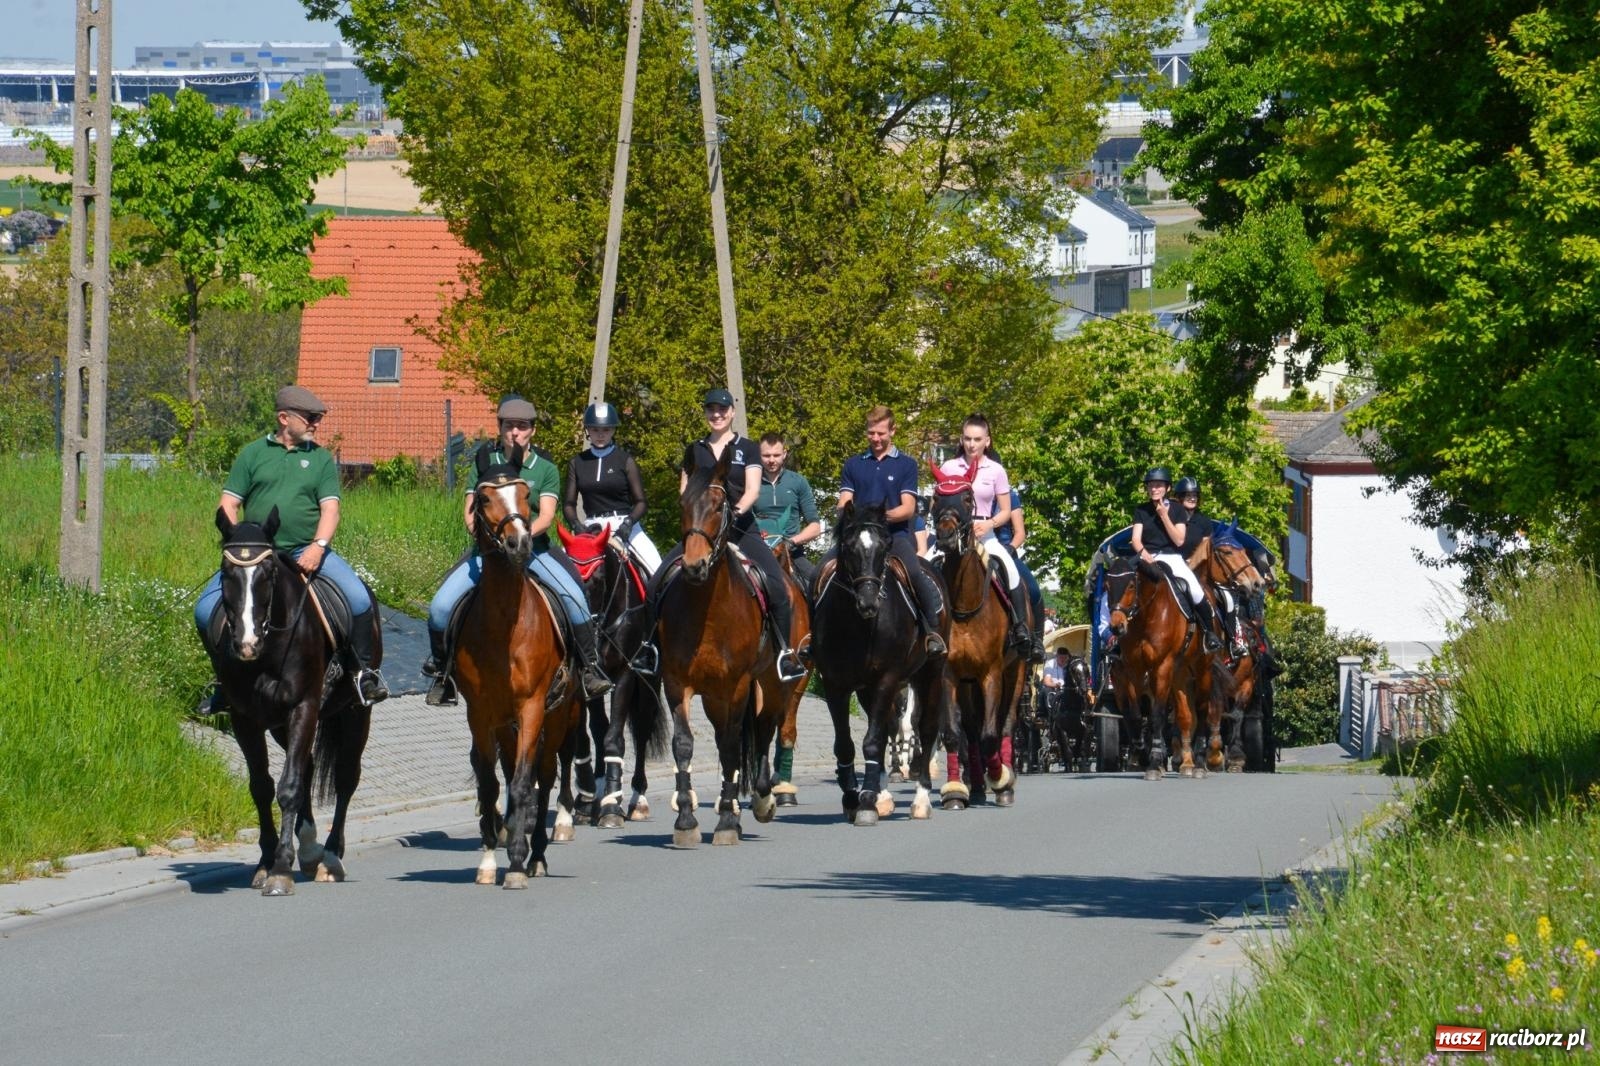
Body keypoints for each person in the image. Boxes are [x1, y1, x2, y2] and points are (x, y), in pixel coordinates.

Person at [193, 384, 388, 709]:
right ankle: (223, 683)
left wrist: (318, 546)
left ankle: (363, 674)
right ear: (284, 418)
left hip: (304, 551)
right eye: (310, 417)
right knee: (203, 611)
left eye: (318, 418)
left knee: (358, 599)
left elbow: (330, 510)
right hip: (256, 556)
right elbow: (229, 503)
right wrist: (237, 542)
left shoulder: (321, 459)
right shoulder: (252, 454)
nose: (316, 423)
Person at [423, 395, 613, 704]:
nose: (515, 432)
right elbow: (470, 513)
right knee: (440, 607)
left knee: (575, 599)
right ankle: (442, 675)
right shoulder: (483, 463)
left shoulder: (545, 468)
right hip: (489, 553)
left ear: (532, 430)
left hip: (534, 551)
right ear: (500, 428)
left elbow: (547, 516)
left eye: (522, 426)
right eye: (509, 425)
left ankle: (589, 669)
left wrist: (518, 538)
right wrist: (491, 539)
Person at [634, 388, 808, 681]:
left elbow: (752, 490)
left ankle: (784, 654)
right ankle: (649, 648)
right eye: (711, 409)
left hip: (740, 528)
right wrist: (694, 515)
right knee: (655, 584)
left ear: (732, 412)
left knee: (777, 586)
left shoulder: (748, 448)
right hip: (703, 529)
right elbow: (685, 489)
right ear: (705, 413)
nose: (717, 414)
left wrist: (734, 513)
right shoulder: (695, 449)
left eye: (722, 409)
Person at [835, 405, 946, 656]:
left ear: (892, 431)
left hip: (894, 536)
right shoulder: (853, 465)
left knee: (915, 572)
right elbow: (844, 501)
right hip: (857, 538)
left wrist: (875, 518)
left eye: (881, 433)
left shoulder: (906, 465)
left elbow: (907, 509)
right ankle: (813, 636)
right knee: (822, 571)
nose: (875, 438)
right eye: (871, 433)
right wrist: (847, 514)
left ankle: (932, 630)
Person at [938, 414, 1043, 661]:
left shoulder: (996, 470)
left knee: (1011, 571)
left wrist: (988, 524)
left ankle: (1021, 628)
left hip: (985, 535)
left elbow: (1006, 511)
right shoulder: (949, 468)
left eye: (977, 439)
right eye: (967, 439)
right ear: (961, 440)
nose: (971, 444)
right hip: (953, 536)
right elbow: (937, 503)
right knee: (926, 567)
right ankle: (927, 629)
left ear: (987, 441)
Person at [562, 400, 661, 575]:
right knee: (562, 572)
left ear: (613, 430)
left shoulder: (625, 460)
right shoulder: (577, 462)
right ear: (588, 430)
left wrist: (628, 524)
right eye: (595, 429)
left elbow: (641, 502)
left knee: (657, 570)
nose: (600, 434)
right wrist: (576, 525)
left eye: (606, 430)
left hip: (624, 525)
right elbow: (569, 504)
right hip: (591, 527)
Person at [1130, 466, 1222, 653]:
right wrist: (1145, 555)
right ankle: (1117, 639)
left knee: (1196, 590)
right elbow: (1136, 539)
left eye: (1158, 485)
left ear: (1168, 488)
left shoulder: (1178, 510)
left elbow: (1179, 540)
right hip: (1147, 557)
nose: (1154, 489)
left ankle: (1210, 634)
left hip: (1171, 557)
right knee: (1122, 582)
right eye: (1151, 485)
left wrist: (1164, 516)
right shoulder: (1141, 510)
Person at [1175, 475, 1248, 659]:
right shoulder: (1172, 518)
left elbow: (1206, 550)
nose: (1192, 498)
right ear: (1179, 497)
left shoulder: (1203, 521)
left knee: (1228, 600)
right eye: (1188, 495)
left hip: (1199, 570)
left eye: (1195, 495)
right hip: (1174, 567)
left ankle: (1233, 642)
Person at [752, 432, 822, 590]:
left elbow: (815, 527)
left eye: (776, 455)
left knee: (820, 586)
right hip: (757, 554)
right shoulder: (750, 483)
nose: (771, 460)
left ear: (784, 454)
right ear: (759, 455)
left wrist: (790, 543)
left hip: (793, 556)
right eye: (766, 455)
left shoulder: (798, 482)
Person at [994, 484, 1048, 657]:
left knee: (1033, 590)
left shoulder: (1010, 496)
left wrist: (1010, 548)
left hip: (1005, 550)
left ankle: (1037, 640)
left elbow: (1020, 533)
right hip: (976, 549)